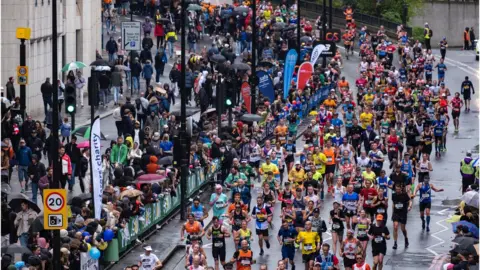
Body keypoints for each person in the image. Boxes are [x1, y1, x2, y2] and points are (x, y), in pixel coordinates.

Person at [391, 185, 412, 249]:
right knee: (395, 227)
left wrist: (409, 206)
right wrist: (392, 213)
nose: (397, 190)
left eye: (398, 189)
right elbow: (393, 204)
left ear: (401, 189)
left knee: (403, 229)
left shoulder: (404, 195)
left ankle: (406, 238)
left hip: (403, 213)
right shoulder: (394, 195)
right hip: (396, 213)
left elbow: (410, 201)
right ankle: (395, 243)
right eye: (396, 189)